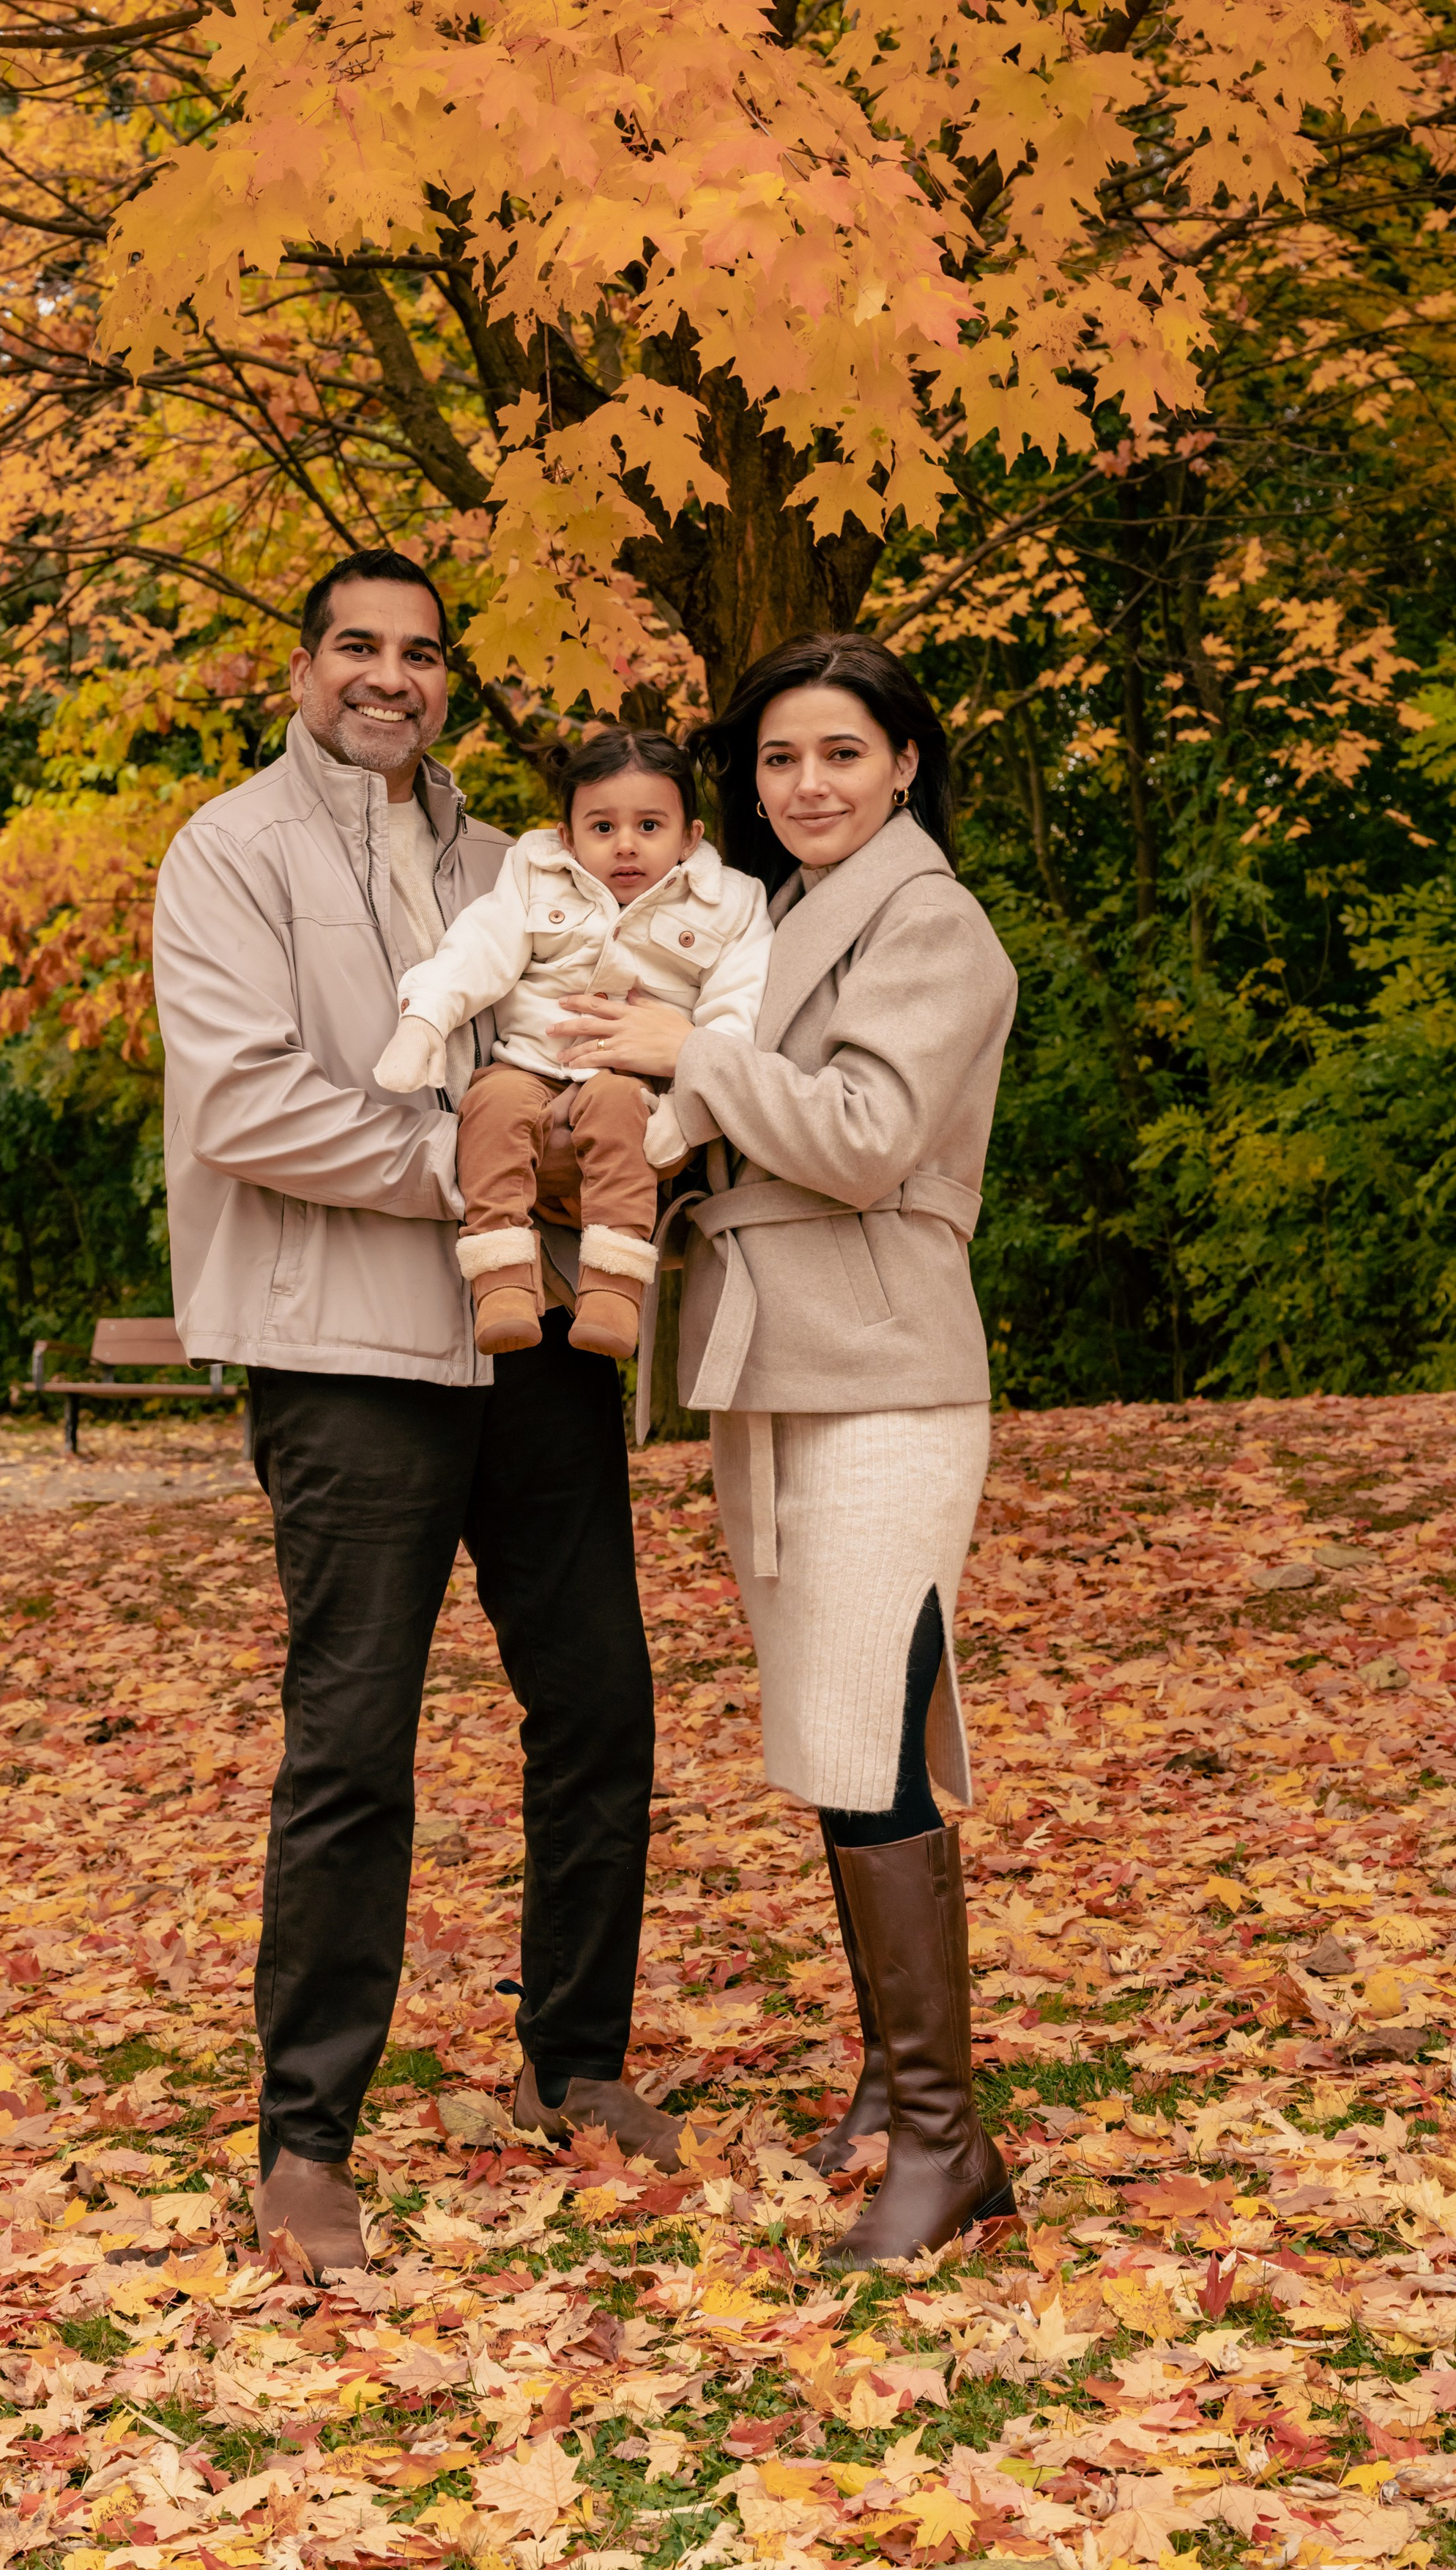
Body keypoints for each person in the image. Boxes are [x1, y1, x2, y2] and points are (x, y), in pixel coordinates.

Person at [151, 547, 683, 2282]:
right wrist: (477, 1169)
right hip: (346, 1353)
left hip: (531, 1337)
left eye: (422, 652)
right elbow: (245, 1105)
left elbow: (586, 1044)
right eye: (357, 647)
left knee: (596, 1702)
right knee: (351, 1743)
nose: (391, 675)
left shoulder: (508, 861)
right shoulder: (227, 852)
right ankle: (306, 2136)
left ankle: (573, 2058)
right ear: (303, 670)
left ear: (447, 678)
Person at [554, 631, 1018, 2264]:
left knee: (874, 1730)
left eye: (841, 752)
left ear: (904, 764)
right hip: (774, 1365)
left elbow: (867, 1139)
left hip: (884, 1369)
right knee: (835, 1728)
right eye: (777, 759)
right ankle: (896, 2088)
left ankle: (948, 2144)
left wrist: (688, 1059)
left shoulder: (931, 922)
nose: (806, 784)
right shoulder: (781, 917)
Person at [372, 727, 770, 1359]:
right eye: (602, 827)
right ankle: (501, 1278)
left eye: (649, 825)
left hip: (634, 1076)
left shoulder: (731, 901)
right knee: (491, 1106)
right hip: (532, 1060)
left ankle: (614, 1287)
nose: (626, 844)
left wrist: (687, 1110)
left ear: (689, 837)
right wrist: (427, 1017)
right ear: (568, 836)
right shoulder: (536, 871)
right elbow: (480, 948)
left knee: (617, 1112)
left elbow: (735, 1012)